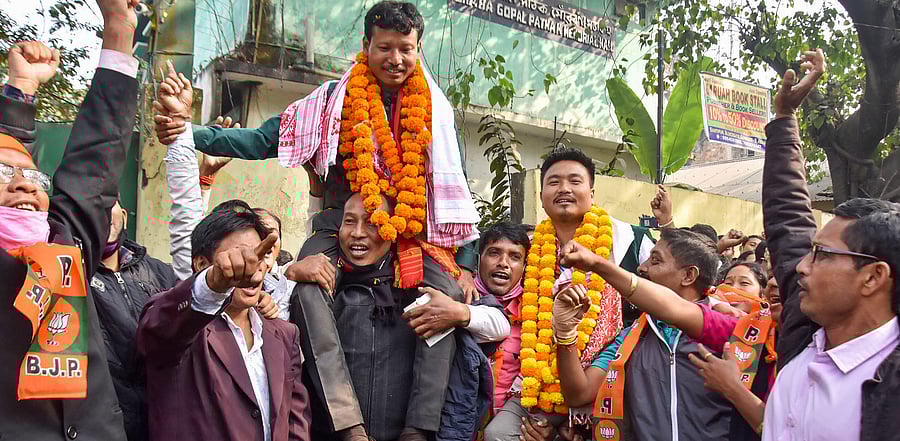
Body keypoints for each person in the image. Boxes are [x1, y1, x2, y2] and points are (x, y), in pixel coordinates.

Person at [0, 2, 138, 437]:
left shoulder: (67, 247)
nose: (24, 186)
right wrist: (18, 91)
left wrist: (118, 28)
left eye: (33, 177)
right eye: (4, 177)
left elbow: (95, 159)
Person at [756, 48, 900, 441]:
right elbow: (789, 223)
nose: (801, 266)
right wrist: (784, 120)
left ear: (872, 277)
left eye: (822, 255)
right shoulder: (807, 333)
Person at [289, 192, 487, 441]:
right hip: (332, 434)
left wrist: (460, 310)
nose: (358, 233)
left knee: (442, 303)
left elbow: (495, 323)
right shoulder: (321, 284)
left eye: (372, 223)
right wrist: (289, 270)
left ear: (393, 230)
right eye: (349, 221)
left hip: (402, 434)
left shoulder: (418, 288)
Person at [137, 203, 311, 441]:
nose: (252, 268)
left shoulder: (284, 334)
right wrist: (211, 285)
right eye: (239, 257)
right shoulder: (184, 331)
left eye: (258, 255)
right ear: (201, 265)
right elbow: (158, 329)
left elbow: (295, 423)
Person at [553, 228, 733, 441]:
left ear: (688, 276)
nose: (642, 267)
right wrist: (566, 333)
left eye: (655, 261)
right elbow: (578, 394)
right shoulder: (631, 337)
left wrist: (596, 263)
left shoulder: (727, 332)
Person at [90, 199, 178, 441]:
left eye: (110, 203)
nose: (103, 212)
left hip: (162, 420)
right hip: (104, 425)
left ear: (125, 215)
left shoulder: (160, 273)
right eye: (92, 204)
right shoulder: (70, 274)